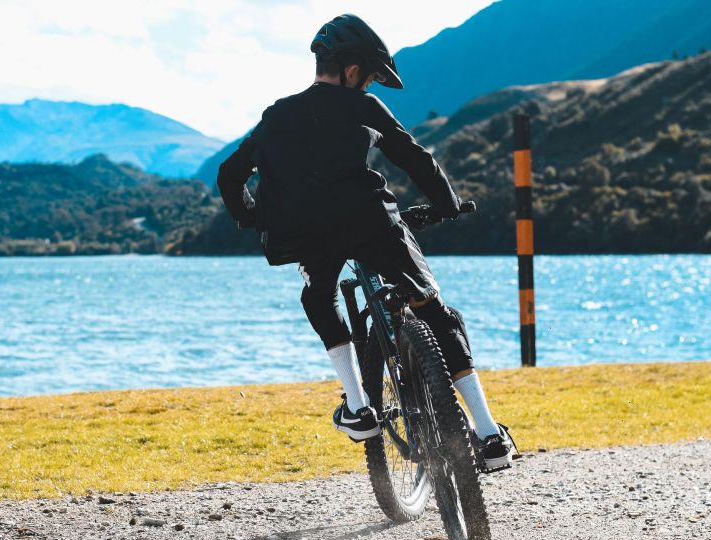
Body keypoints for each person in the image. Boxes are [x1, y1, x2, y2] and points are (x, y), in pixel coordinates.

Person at [217, 14, 515, 470]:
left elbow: (229, 175)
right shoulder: (364, 107)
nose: (368, 84)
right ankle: (490, 435)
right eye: (370, 76)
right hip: (370, 222)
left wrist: (253, 216)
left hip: (305, 233)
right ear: (353, 70)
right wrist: (448, 204)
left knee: (319, 296)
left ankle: (359, 407)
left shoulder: (275, 117)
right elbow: (417, 159)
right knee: (434, 310)